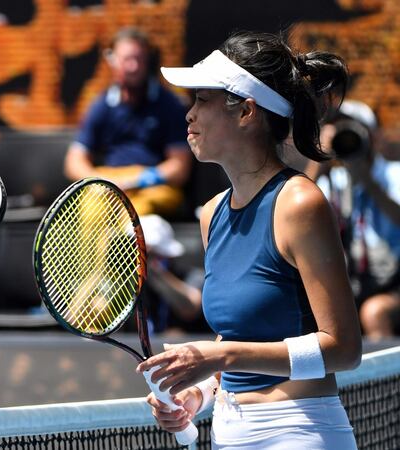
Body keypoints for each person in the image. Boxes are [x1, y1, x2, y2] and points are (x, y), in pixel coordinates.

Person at [137, 32, 362, 449]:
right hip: (229, 432)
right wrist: (198, 392)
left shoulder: (299, 203)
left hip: (301, 432)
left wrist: (219, 357)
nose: (189, 115)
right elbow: (239, 335)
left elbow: (344, 348)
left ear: (246, 112)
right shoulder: (211, 215)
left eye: (202, 100)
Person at [63, 27, 192, 217]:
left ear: (148, 61)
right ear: (112, 61)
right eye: (126, 59)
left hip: (153, 186)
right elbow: (73, 162)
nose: (133, 67)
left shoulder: (170, 104)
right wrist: (102, 182)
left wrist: (138, 180)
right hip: (109, 183)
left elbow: (180, 168)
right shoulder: (100, 104)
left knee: (137, 213)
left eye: (139, 59)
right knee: (91, 209)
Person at [309, 100, 400, 339]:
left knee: (374, 312)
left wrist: (367, 180)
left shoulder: (395, 173)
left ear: (373, 136)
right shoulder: (336, 181)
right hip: (354, 282)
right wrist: (320, 162)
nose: (348, 138)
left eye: (354, 130)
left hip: (394, 283)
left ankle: (387, 377)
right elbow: (296, 212)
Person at [137, 214, 206, 336]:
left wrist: (155, 273)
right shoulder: (123, 282)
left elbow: (190, 308)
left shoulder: (194, 275)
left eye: (156, 254)